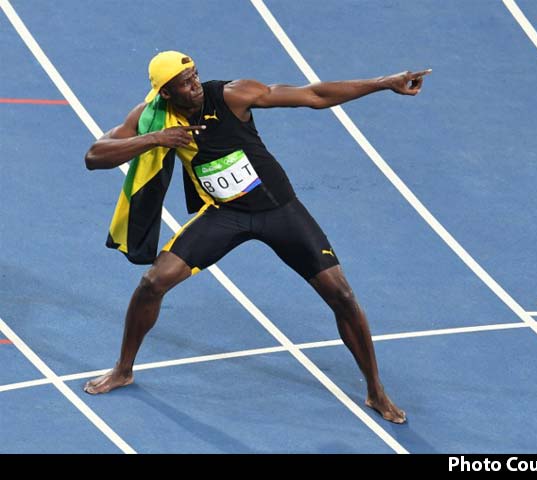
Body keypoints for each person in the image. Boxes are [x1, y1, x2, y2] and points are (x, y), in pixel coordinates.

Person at [83, 50, 430, 424]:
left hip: (280, 212)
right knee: (153, 283)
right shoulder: (152, 117)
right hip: (225, 215)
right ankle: (123, 369)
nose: (196, 84)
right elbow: (95, 155)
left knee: (342, 295)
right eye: (185, 83)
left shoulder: (233, 94)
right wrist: (155, 140)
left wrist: (383, 83)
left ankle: (375, 390)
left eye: (196, 74)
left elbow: (314, 96)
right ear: (166, 93)